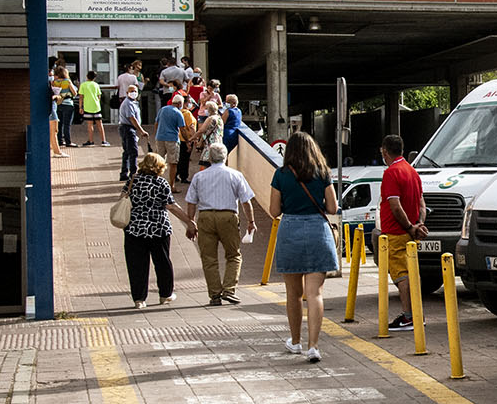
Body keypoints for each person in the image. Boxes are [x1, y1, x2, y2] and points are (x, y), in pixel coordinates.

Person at [269, 133, 338, 359]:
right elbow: (332, 208)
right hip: (318, 232)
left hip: (290, 232)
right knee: (315, 294)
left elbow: (274, 211)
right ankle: (313, 346)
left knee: (294, 294)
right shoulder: (323, 173)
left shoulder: (280, 175)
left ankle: (296, 342)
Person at [120, 151, 195, 309]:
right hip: (158, 229)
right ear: (159, 167)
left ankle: (139, 299)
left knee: (137, 265)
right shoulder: (161, 183)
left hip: (134, 229)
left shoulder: (132, 180)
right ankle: (165, 294)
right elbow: (171, 206)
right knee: (162, 262)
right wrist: (189, 221)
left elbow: (122, 199)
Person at [185, 141, 256, 306]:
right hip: (228, 216)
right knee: (233, 255)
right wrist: (251, 221)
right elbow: (246, 202)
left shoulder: (199, 176)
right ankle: (229, 289)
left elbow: (191, 202)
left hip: (205, 217)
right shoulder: (235, 175)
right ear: (225, 157)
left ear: (209, 158)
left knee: (209, 257)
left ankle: (215, 294)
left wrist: (191, 222)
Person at [378, 133, 426, 332]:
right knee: (412, 273)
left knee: (401, 275)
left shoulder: (392, 173)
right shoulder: (412, 171)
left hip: (396, 233)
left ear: (385, 151)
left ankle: (409, 317)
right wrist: (418, 225)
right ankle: (416, 315)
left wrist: (408, 227)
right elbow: (422, 203)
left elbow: (395, 206)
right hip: (410, 232)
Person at [152, 92, 186, 183]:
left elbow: (156, 123)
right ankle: (172, 185)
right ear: (180, 104)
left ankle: (156, 182)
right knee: (173, 163)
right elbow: (182, 129)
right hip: (172, 139)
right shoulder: (178, 113)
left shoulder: (162, 109)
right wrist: (187, 140)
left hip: (160, 138)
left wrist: (157, 134)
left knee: (158, 161)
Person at [119, 85, 149, 182]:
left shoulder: (133, 103)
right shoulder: (128, 103)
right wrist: (141, 130)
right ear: (127, 93)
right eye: (131, 91)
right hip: (128, 129)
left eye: (135, 91)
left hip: (129, 128)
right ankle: (133, 173)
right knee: (133, 151)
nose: (133, 93)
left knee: (127, 152)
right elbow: (132, 118)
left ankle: (124, 173)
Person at [51, 63, 78, 150]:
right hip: (68, 104)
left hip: (58, 104)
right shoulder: (67, 81)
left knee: (59, 124)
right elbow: (74, 93)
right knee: (67, 124)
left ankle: (59, 141)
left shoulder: (54, 82)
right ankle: (68, 142)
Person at [78, 70, 108, 146]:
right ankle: (103, 141)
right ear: (94, 78)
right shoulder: (96, 85)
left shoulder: (83, 85)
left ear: (87, 76)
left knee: (90, 125)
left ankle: (91, 141)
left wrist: (80, 107)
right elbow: (99, 96)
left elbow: (81, 97)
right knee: (100, 124)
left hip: (88, 107)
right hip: (96, 107)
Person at [174, 96, 198, 184]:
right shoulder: (187, 114)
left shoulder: (178, 112)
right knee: (185, 159)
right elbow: (191, 127)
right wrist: (194, 139)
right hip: (186, 139)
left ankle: (176, 174)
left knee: (179, 158)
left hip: (178, 138)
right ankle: (184, 176)